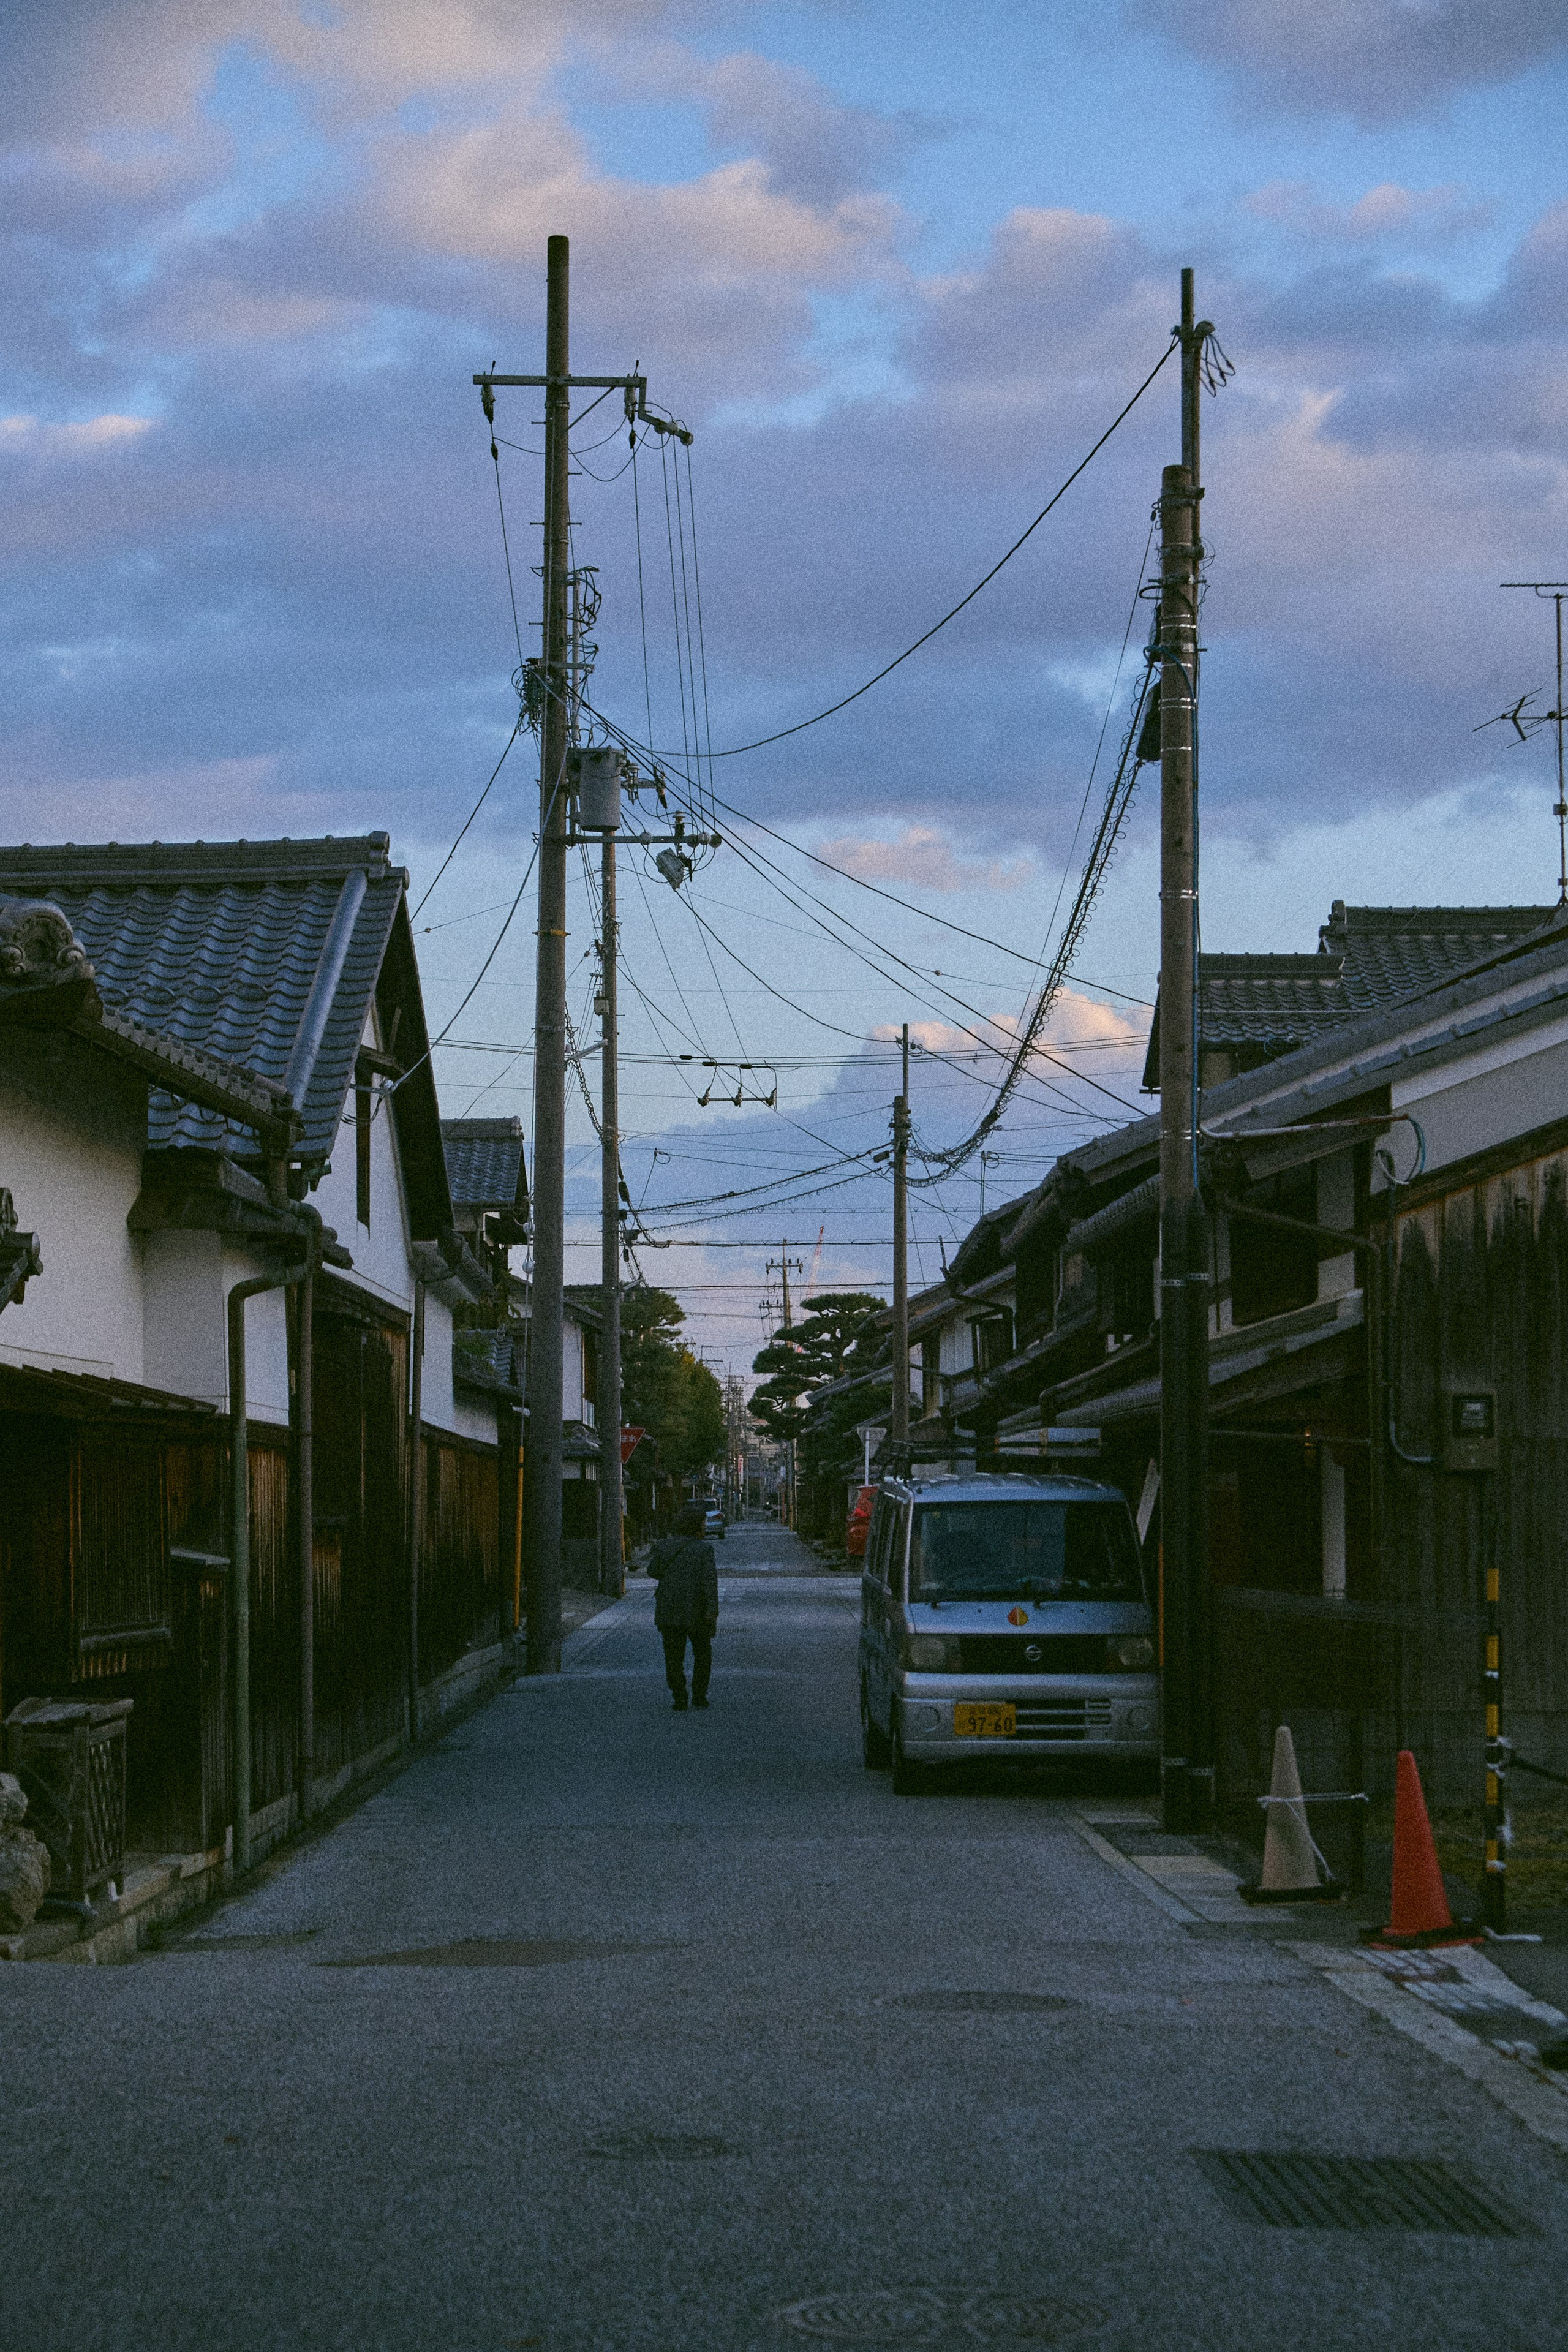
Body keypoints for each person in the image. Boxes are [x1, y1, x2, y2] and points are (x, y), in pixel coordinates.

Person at [648, 1501, 718, 1711]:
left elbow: (652, 1571)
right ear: (697, 1526)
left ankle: (679, 1696)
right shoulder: (704, 1550)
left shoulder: (664, 1546)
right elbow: (709, 1582)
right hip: (697, 1610)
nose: (705, 1527)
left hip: (669, 1609)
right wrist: (712, 1611)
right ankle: (699, 1695)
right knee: (703, 1654)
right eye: (704, 1523)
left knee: (673, 1656)